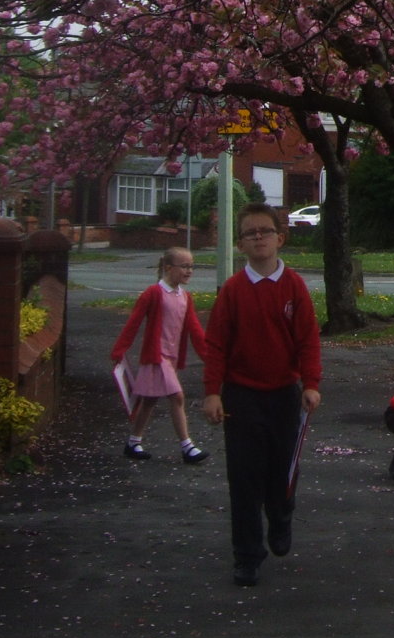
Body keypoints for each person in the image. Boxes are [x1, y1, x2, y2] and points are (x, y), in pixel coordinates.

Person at [202, 204, 322, 587]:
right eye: (250, 233)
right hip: (242, 395)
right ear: (240, 244)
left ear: (279, 238)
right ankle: (247, 555)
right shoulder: (233, 291)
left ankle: (281, 514)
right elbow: (217, 344)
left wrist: (312, 384)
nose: (258, 238)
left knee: (281, 470)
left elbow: (307, 340)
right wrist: (212, 393)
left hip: (284, 394)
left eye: (265, 231)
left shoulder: (294, 287)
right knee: (244, 476)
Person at [110, 246, 209, 463]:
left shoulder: (185, 297)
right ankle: (187, 447)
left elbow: (195, 330)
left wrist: (210, 358)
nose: (189, 271)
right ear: (168, 267)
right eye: (184, 266)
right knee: (177, 396)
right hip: (156, 357)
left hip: (171, 358)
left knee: (149, 401)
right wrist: (119, 349)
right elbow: (133, 322)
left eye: (192, 266)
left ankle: (133, 442)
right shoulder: (154, 293)